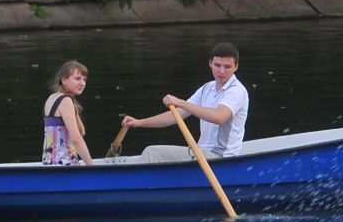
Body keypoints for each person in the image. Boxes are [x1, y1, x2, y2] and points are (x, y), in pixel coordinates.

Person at [122, 43, 251, 158]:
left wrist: (181, 102)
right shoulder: (207, 88)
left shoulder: (236, 91)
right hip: (202, 153)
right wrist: (139, 122)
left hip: (221, 156)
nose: (221, 71)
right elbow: (176, 115)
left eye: (227, 67)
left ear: (236, 67)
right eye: (217, 65)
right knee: (151, 152)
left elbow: (219, 117)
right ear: (210, 63)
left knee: (153, 153)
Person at [41, 60, 94, 165]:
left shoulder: (51, 98)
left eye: (84, 79)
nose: (82, 83)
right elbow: (76, 139)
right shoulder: (65, 101)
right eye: (77, 78)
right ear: (64, 80)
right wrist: (92, 167)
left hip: (49, 165)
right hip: (65, 165)